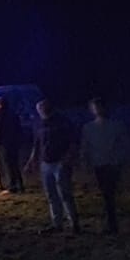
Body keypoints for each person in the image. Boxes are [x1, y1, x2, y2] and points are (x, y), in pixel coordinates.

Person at [26, 99, 79, 234]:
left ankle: (74, 224)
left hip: (60, 162)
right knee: (51, 194)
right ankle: (57, 224)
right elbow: (37, 144)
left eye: (43, 108)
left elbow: (73, 141)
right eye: (40, 109)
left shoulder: (62, 122)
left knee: (64, 193)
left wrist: (68, 157)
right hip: (46, 163)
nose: (42, 111)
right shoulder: (39, 124)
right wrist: (32, 160)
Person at [80, 98, 130, 235]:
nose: (98, 109)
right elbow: (85, 147)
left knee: (109, 194)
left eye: (99, 107)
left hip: (112, 164)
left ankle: (112, 223)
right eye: (95, 107)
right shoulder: (89, 128)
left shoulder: (116, 125)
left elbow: (125, 145)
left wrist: (121, 161)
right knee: (107, 194)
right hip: (100, 164)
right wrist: (85, 162)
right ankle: (111, 221)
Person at [0, 94, 26, 193]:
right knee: (15, 164)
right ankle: (20, 185)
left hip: (4, 144)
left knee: (7, 165)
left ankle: (12, 186)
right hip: (14, 143)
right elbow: (19, 129)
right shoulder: (13, 114)